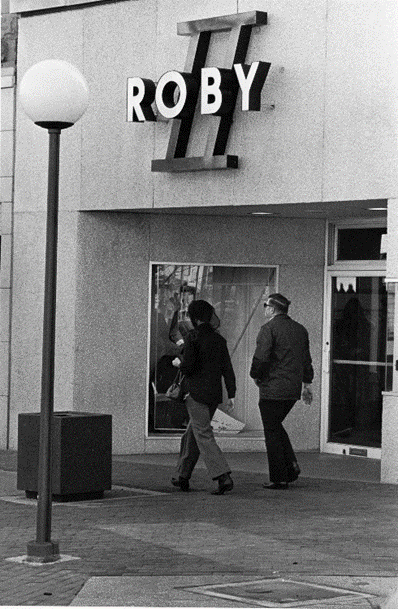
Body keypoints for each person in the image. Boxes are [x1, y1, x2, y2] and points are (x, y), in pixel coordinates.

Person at [171, 300, 236, 495]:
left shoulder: (193, 338)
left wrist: (178, 363)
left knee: (203, 434)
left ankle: (222, 475)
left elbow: (189, 366)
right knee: (192, 434)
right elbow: (228, 370)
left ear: (194, 317)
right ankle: (181, 476)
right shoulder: (219, 340)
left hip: (195, 394)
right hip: (214, 394)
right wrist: (231, 393)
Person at [250, 293, 314, 489]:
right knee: (275, 426)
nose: (264, 309)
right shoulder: (300, 330)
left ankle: (279, 477)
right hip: (292, 388)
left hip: (272, 388)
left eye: (265, 306)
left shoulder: (268, 329)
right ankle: (291, 467)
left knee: (271, 430)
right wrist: (307, 383)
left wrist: (256, 375)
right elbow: (306, 359)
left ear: (271, 309)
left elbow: (261, 358)